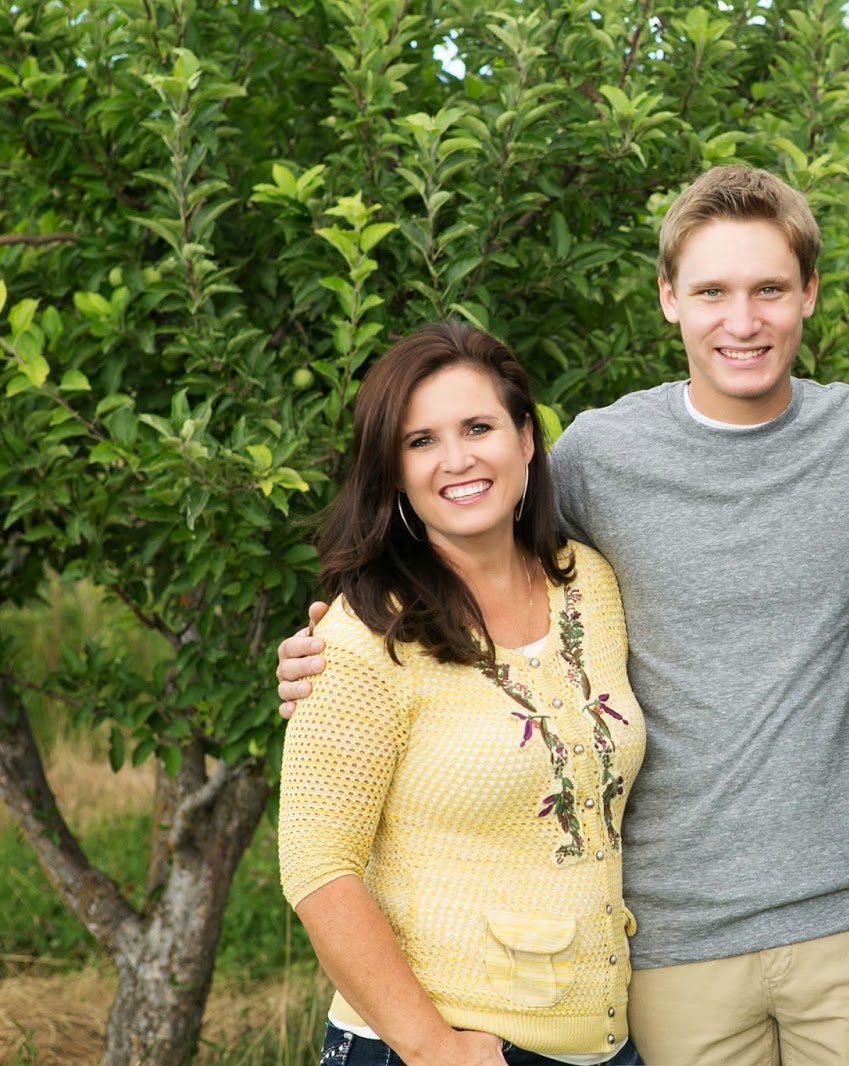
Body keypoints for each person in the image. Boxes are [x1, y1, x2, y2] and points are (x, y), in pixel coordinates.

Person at [279, 168, 849, 1066]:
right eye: (711, 291)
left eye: (769, 289)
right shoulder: (600, 458)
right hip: (669, 947)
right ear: (668, 298)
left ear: (810, 293)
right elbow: (322, 854)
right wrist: (323, 657)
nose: (742, 321)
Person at [277, 322, 646, 1066]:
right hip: (440, 1046)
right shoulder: (364, 637)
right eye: (421, 441)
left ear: (526, 438)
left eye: (479, 427)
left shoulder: (592, 586)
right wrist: (434, 1048)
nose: (457, 460)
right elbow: (318, 869)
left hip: (600, 1043)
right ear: (394, 471)